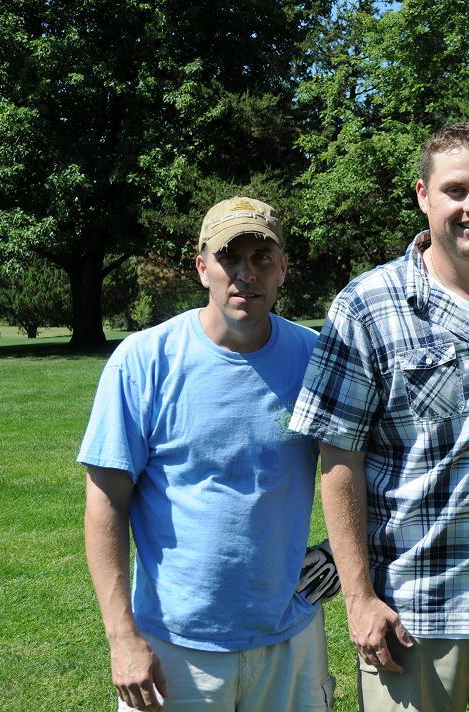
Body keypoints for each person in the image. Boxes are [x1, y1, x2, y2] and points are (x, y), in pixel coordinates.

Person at [289, 122, 469, 712]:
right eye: (455, 190)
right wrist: (360, 598)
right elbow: (339, 458)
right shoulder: (366, 305)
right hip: (416, 612)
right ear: (423, 195)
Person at [79, 197, 339, 712]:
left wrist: (335, 554)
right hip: (174, 647)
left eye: (262, 257)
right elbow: (105, 503)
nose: (246, 274)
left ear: (283, 267)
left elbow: (360, 468)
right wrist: (121, 637)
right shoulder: (143, 361)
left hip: (290, 638)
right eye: (229, 258)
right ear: (202, 268)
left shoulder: (317, 359)